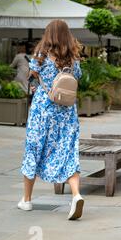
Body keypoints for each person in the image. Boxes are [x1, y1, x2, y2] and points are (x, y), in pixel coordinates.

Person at [19, 19, 85, 221]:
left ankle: (27, 200)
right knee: (68, 152)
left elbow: (31, 77)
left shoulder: (40, 56)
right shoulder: (73, 58)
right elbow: (78, 79)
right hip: (66, 113)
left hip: (42, 110)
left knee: (34, 149)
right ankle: (76, 195)